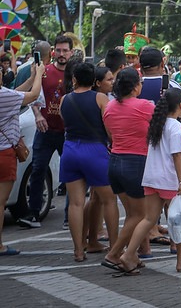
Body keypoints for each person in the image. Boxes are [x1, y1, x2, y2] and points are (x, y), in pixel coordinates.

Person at [119, 87, 181, 275]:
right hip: (169, 179)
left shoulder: (157, 124)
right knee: (179, 219)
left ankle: (128, 254)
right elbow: (176, 156)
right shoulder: (176, 128)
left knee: (149, 219)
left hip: (151, 178)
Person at [58, 62, 116, 263]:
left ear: (74, 79)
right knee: (109, 199)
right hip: (95, 151)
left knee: (75, 202)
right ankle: (114, 249)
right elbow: (109, 128)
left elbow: (65, 121)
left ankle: (78, 250)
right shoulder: (101, 98)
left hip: (71, 150)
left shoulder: (65, 99)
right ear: (94, 80)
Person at [102, 67, 155, 271]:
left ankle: (131, 254)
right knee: (140, 215)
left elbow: (111, 136)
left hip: (114, 161)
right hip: (135, 162)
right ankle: (115, 254)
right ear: (134, 86)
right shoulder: (144, 106)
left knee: (133, 213)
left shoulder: (109, 107)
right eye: (140, 82)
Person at [19, 34, 74, 228]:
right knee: (37, 169)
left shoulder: (75, 74)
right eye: (58, 50)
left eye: (65, 50)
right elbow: (33, 97)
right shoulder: (43, 72)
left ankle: (70, 217)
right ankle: (34, 213)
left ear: (71, 52)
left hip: (68, 133)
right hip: (45, 130)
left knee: (71, 175)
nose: (61, 54)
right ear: (53, 52)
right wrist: (37, 115)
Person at [0, 54, 43, 255]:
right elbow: (33, 96)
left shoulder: (5, 95)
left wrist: (31, 76)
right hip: (4, 154)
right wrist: (40, 75)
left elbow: (15, 92)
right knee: (1, 201)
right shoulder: (3, 97)